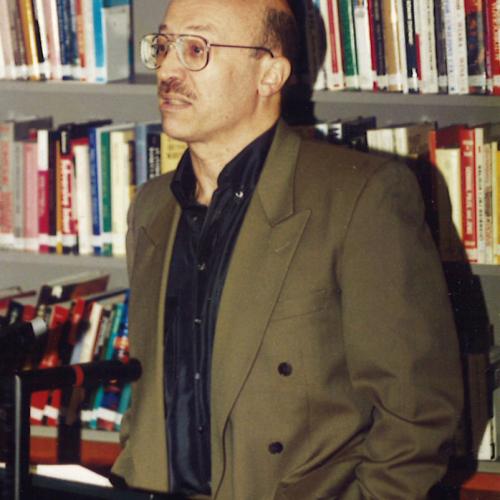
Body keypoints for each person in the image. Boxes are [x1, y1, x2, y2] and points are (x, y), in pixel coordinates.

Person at [111, 0, 463, 498]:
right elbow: (151, 395)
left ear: (270, 73)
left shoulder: (362, 197)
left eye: (196, 49)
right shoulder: (151, 208)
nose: (167, 67)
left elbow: (417, 415)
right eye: (164, 46)